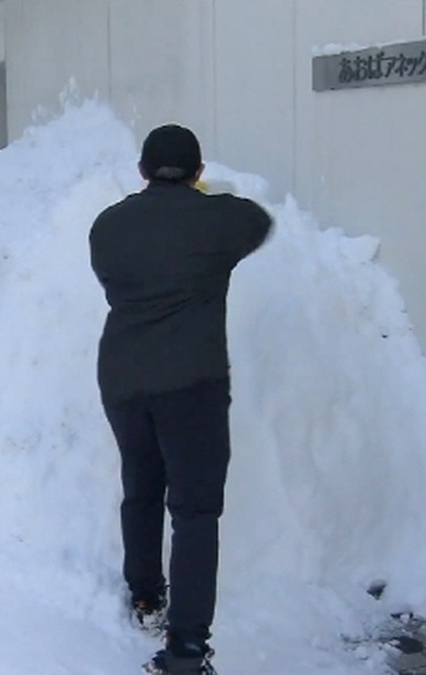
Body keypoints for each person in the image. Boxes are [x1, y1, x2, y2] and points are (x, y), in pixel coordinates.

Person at [89, 124, 273, 675]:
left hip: (123, 380)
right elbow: (257, 219)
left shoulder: (109, 225)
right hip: (193, 385)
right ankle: (187, 650)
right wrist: (201, 193)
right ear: (197, 172)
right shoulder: (216, 221)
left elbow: (110, 272)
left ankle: (146, 595)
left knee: (140, 489)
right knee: (194, 511)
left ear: (142, 170)